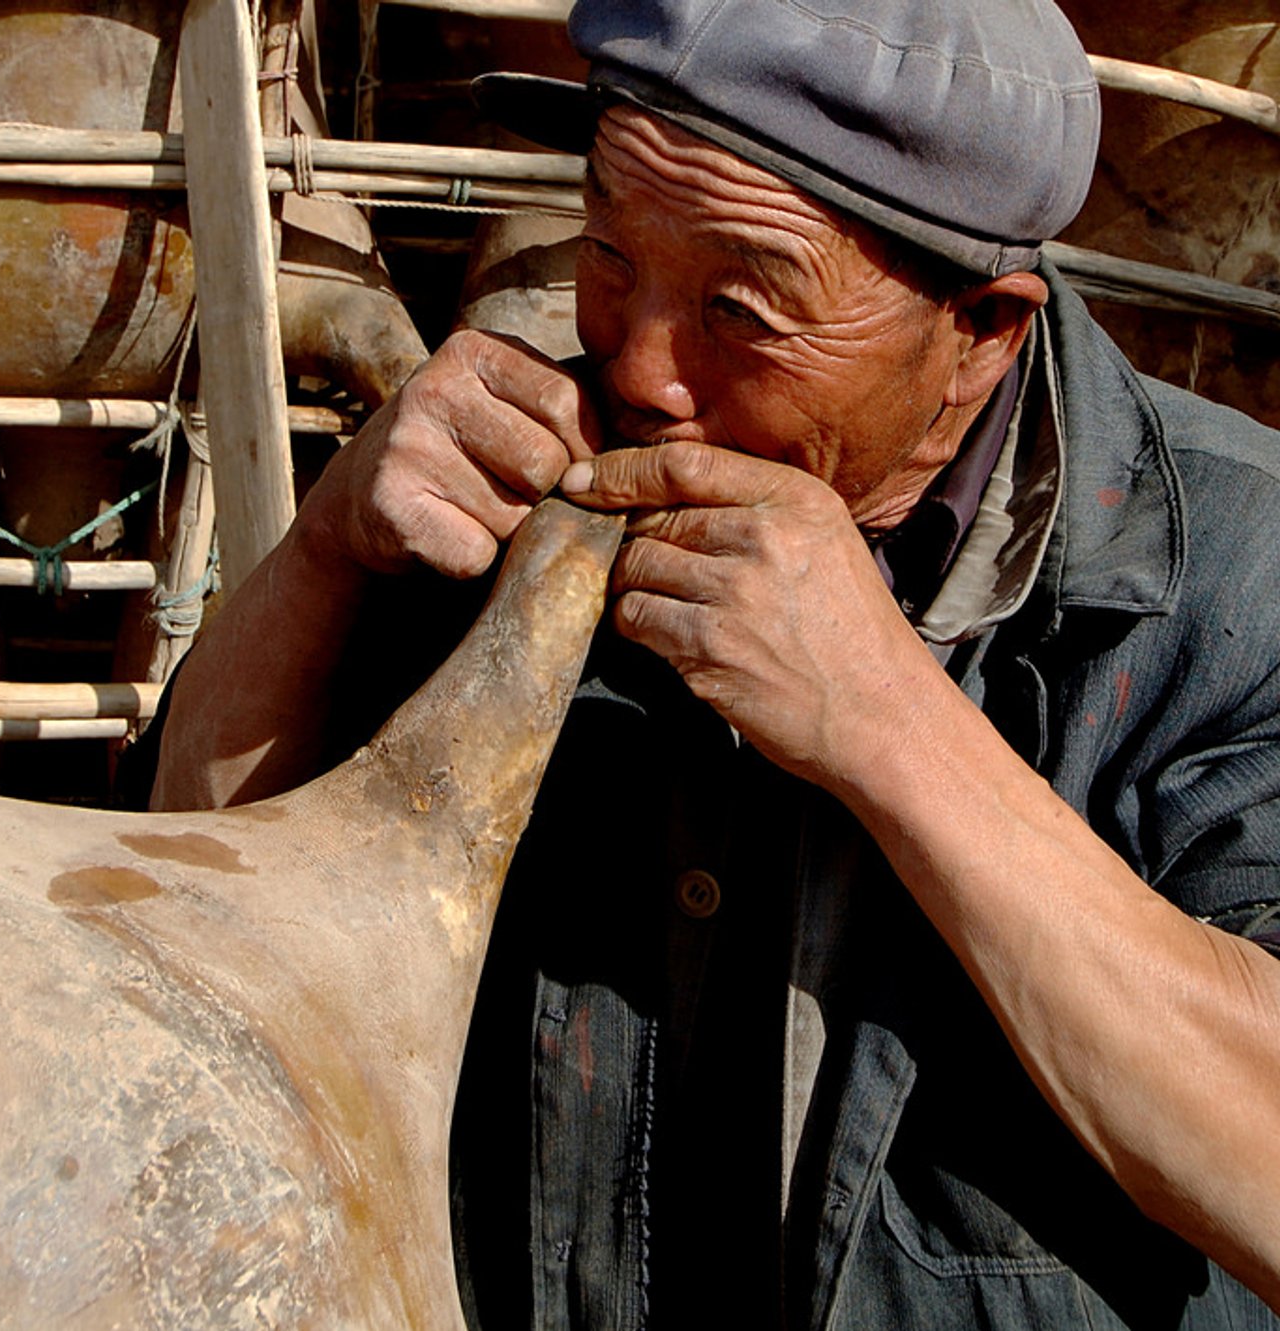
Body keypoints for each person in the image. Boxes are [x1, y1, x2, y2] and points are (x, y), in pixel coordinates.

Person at [135, 0, 1280, 1324]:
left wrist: (888, 722)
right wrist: (328, 552)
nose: (641, 369)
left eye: (740, 310)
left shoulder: (1230, 579)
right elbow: (187, 919)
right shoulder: (509, 485)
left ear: (982, 332)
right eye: (611, 253)